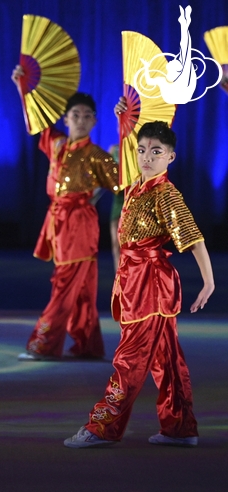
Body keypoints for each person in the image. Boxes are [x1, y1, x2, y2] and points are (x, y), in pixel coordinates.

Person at [64, 118, 213, 448]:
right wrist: (123, 122)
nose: (147, 157)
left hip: (151, 285)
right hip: (135, 281)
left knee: (129, 359)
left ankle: (102, 426)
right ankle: (180, 427)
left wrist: (208, 281)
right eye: (142, 150)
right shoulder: (135, 189)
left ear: (170, 157)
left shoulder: (165, 194)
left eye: (156, 151)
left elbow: (192, 237)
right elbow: (122, 170)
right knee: (167, 360)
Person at [12, 65, 120, 361]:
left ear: (96, 121)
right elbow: (35, 119)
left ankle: (43, 344)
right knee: (82, 290)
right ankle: (88, 346)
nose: (82, 120)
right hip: (58, 223)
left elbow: (120, 181)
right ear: (66, 118)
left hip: (80, 226)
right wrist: (23, 87)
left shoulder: (97, 155)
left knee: (64, 284)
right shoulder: (57, 144)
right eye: (76, 115)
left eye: (87, 116)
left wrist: (127, 131)